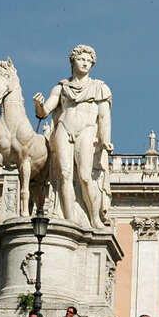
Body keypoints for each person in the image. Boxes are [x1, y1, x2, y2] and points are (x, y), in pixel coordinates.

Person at [32, 44, 113, 228]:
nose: (85, 63)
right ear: (73, 61)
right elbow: (44, 111)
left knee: (85, 176)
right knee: (64, 176)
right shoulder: (61, 88)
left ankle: (94, 219)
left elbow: (104, 117)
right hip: (64, 128)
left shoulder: (100, 88)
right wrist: (39, 104)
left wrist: (105, 140)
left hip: (87, 131)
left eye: (88, 61)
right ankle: (69, 221)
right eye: (81, 59)